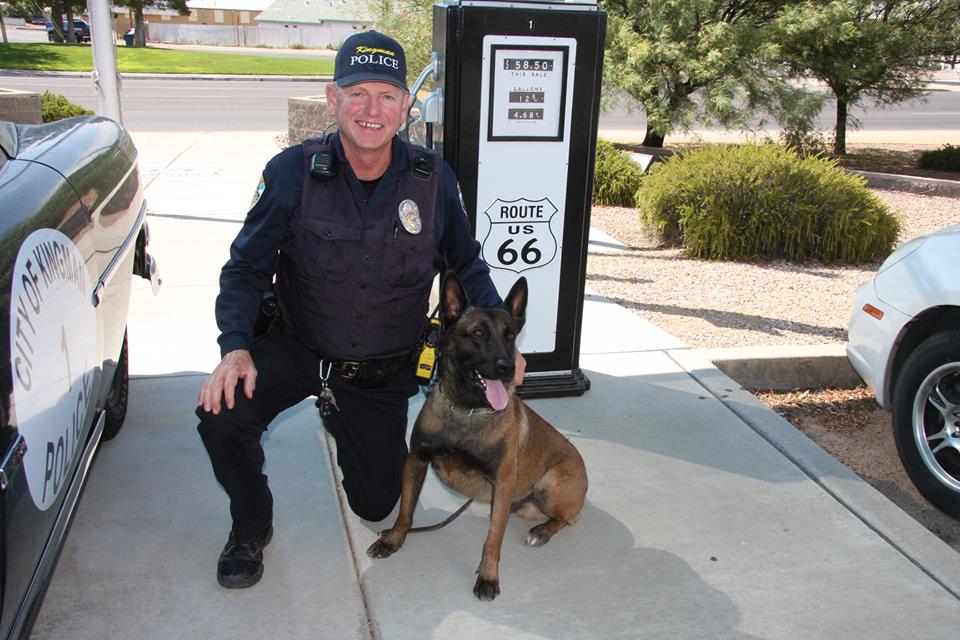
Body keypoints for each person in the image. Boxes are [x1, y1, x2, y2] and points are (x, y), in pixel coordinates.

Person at [196, 30, 523, 590]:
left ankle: (344, 416)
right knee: (221, 414)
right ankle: (250, 524)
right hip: (297, 345)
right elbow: (245, 269)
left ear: (404, 106)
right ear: (333, 99)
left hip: (380, 368)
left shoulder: (432, 181)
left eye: (388, 95)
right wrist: (236, 348)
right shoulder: (291, 173)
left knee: (376, 505)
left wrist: (502, 346)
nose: (372, 110)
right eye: (358, 93)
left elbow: (467, 265)